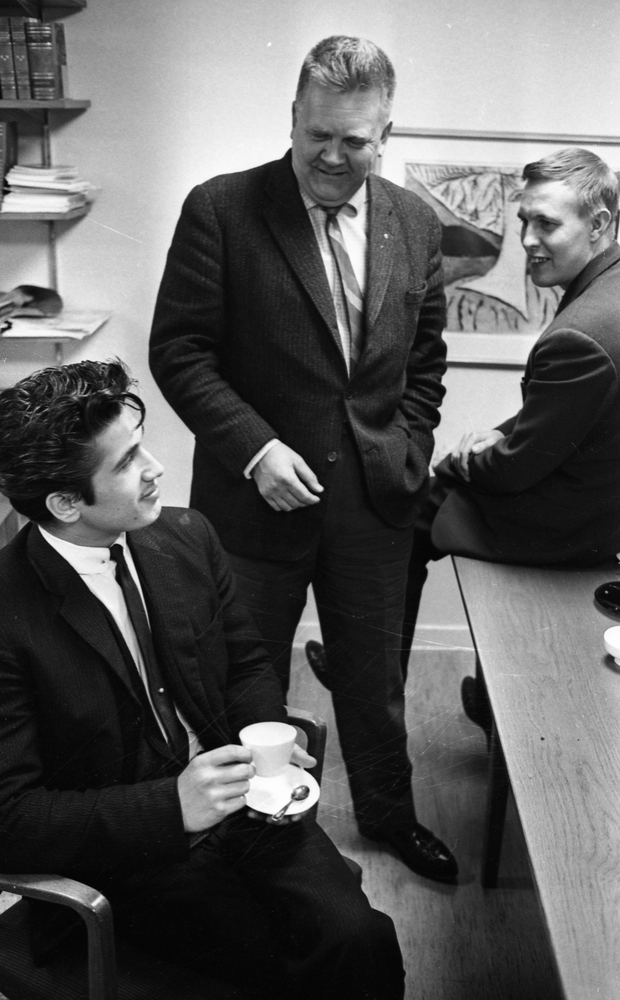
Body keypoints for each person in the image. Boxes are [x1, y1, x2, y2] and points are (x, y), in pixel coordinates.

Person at [0, 359, 406, 1000]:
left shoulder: (187, 535)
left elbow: (244, 663)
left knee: (361, 939)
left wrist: (264, 738)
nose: (156, 468)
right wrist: (174, 806)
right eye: (127, 462)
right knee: (292, 968)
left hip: (247, 809)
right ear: (65, 503)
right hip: (127, 858)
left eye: (142, 446)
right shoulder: (6, 613)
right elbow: (12, 818)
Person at [149, 35, 456, 884]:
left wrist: (407, 446)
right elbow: (179, 352)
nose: (332, 155)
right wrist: (255, 449)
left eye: (354, 140)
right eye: (317, 133)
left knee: (374, 682)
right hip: (254, 505)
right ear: (292, 117)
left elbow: (426, 362)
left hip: (375, 501)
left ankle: (389, 817)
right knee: (240, 685)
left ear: (385, 133)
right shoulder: (221, 208)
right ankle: (245, 842)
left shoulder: (415, 221)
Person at [398, 147, 620, 731]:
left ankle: (378, 681)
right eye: (523, 221)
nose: (526, 239)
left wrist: (460, 461)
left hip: (573, 528)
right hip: (603, 506)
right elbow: (566, 415)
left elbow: (517, 469)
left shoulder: (583, 332)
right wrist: (497, 437)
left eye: (546, 223)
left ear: (598, 223)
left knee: (412, 513)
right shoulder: (610, 290)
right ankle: (484, 698)